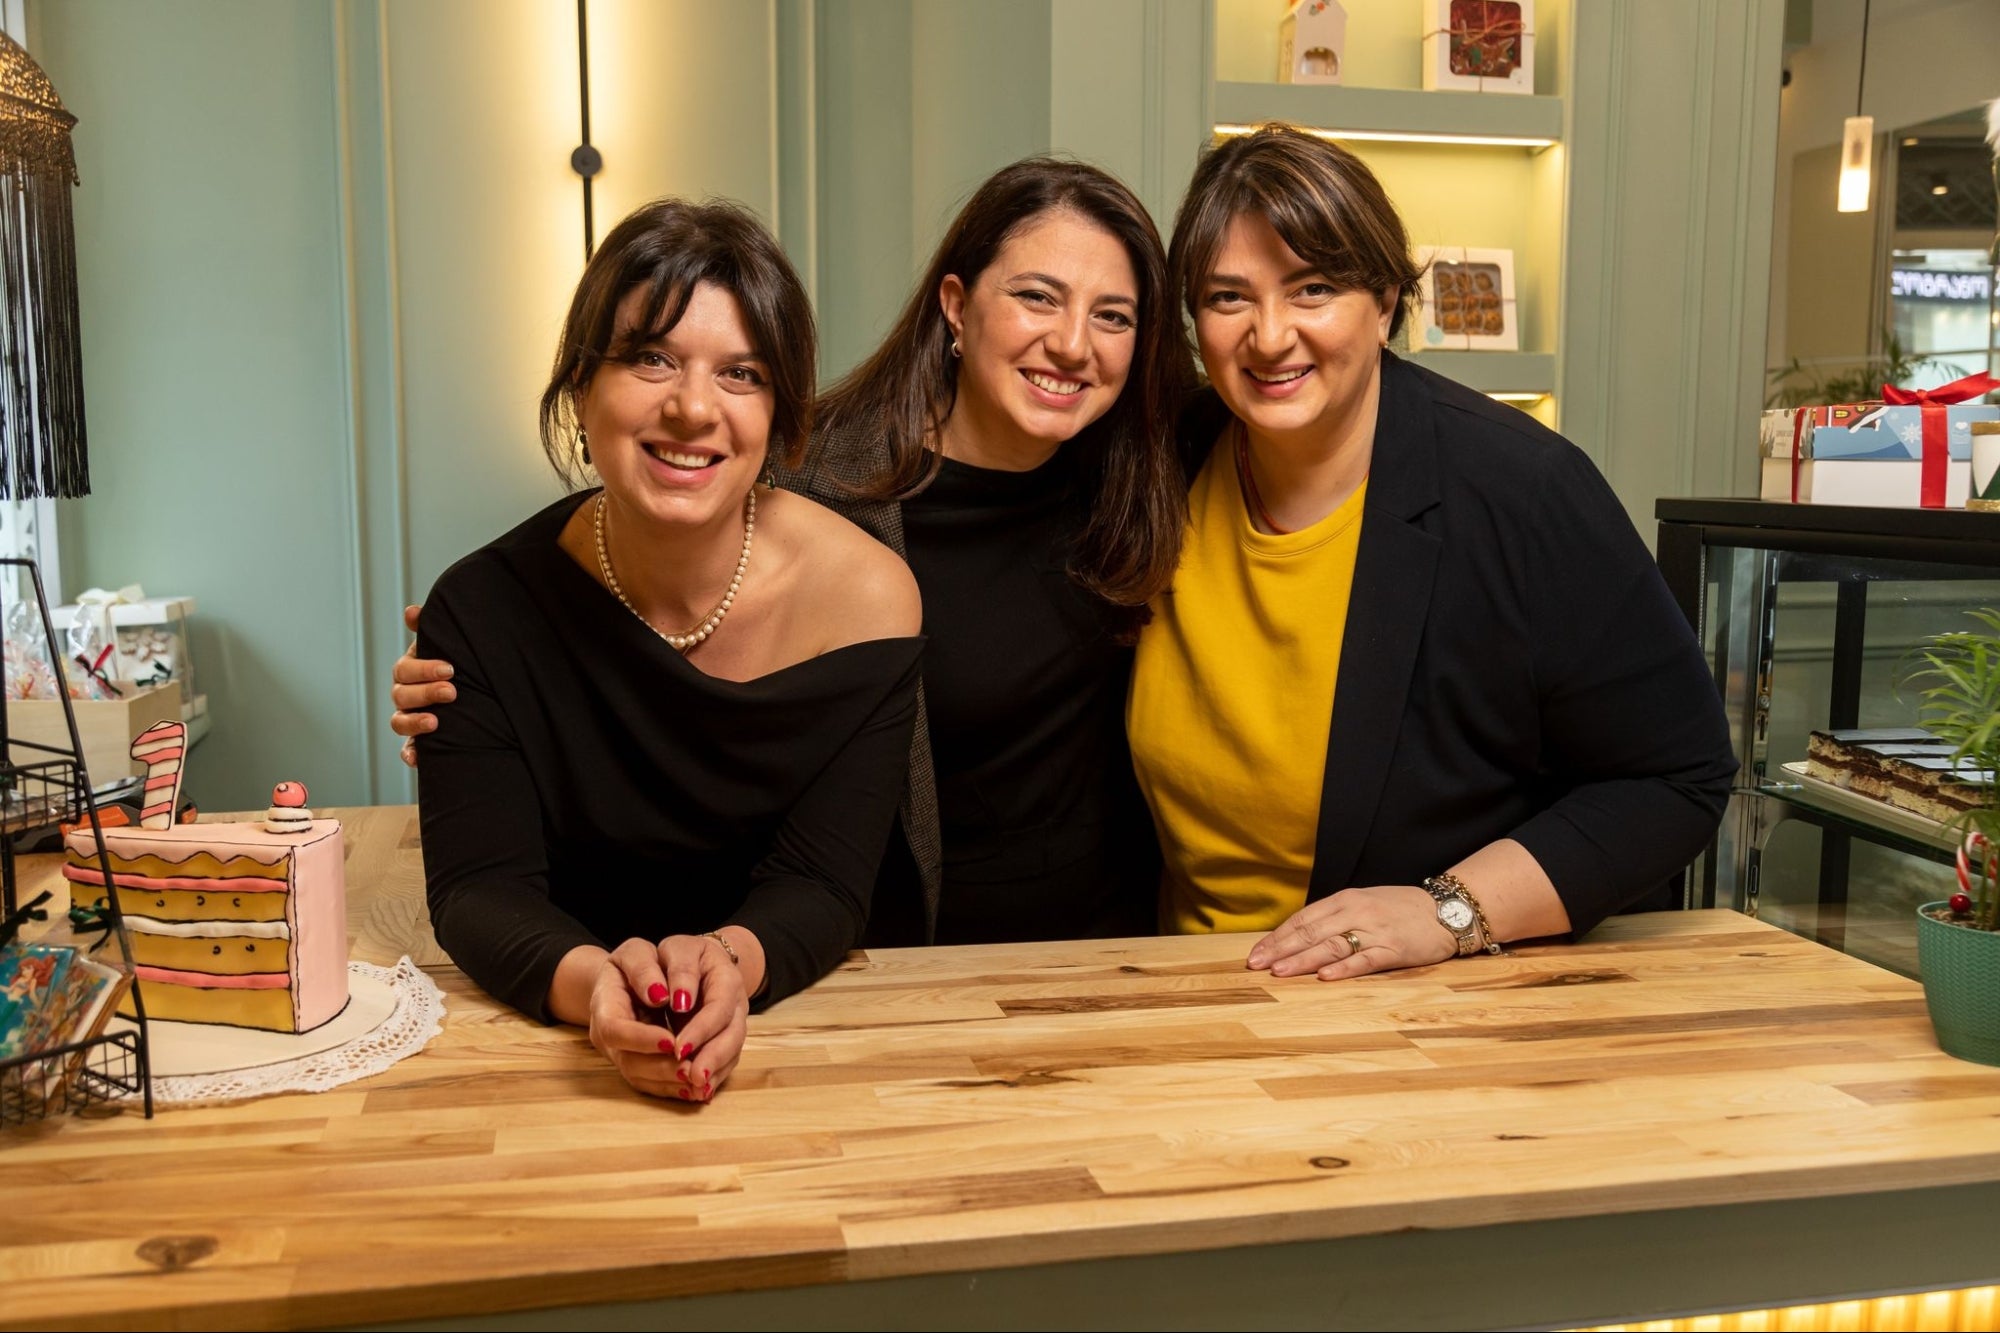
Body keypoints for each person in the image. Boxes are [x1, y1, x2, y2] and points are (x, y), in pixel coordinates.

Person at [395, 160, 1191, 948]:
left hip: (1110, 952)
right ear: (956, 306)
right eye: (1037, 296)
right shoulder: (816, 479)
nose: (1072, 343)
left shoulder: (1161, 462)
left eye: (1113, 316)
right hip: (888, 955)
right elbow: (655, 520)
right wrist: (491, 651)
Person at [1127, 123, 1736, 979]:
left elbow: (1678, 776)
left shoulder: (1526, 489)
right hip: (1181, 986)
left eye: (1313, 288)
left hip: (1426, 1004)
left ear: (1384, 302)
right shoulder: (1163, 460)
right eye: (1229, 298)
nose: (1269, 335)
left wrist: (1449, 910)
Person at [414, 199, 922, 1103]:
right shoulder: (480, 609)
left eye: (741, 373)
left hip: (823, 1056)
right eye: (651, 358)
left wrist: (730, 962)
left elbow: (826, 879)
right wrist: (595, 988)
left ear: (781, 417)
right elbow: (479, 888)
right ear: (581, 387)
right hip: (554, 1055)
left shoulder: (869, 599)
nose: (692, 407)